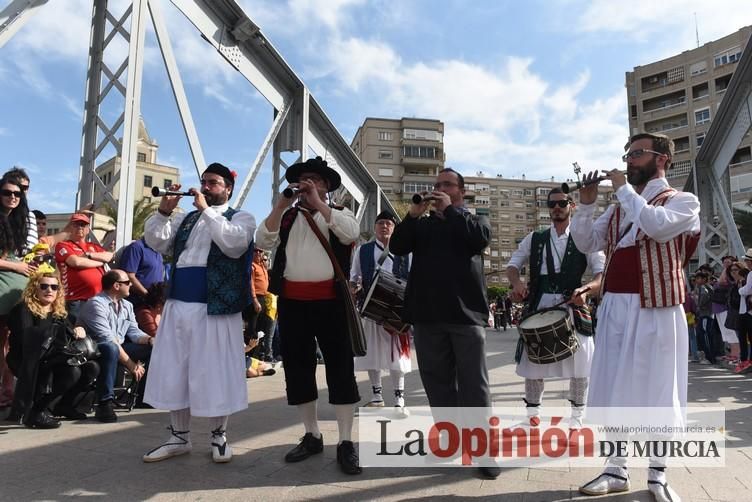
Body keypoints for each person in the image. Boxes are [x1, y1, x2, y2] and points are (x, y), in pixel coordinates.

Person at [570, 132, 700, 501]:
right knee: (614, 388)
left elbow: (657, 226)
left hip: (658, 306)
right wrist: (585, 204)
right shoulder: (616, 208)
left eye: (637, 154)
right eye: (627, 154)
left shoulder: (684, 201)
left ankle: (658, 476)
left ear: (661, 159)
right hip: (615, 306)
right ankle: (616, 469)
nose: (628, 160)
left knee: (659, 389)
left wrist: (625, 191)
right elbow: (586, 243)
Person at [390, 167, 500, 480]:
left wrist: (450, 211)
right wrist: (412, 215)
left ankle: (483, 449)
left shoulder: (473, 220)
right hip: (427, 317)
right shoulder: (422, 226)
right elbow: (397, 245)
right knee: (437, 384)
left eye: (447, 185)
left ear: (460, 192)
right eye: (436, 184)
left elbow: (479, 239)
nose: (438, 189)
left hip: (465, 317)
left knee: (474, 385)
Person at [142, 162, 255, 464]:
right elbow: (156, 241)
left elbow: (233, 244)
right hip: (179, 303)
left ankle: (219, 436)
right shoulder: (187, 220)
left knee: (215, 369)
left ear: (228, 188)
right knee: (175, 367)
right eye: (204, 181)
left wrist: (206, 210)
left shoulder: (240, 217)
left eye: (213, 183)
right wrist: (164, 212)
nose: (205, 186)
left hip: (215, 306)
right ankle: (179, 436)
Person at [255, 156, 362, 475]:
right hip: (293, 303)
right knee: (299, 369)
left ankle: (345, 441)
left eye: (316, 179)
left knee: (341, 369)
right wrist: (280, 206)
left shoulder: (340, 214)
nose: (308, 184)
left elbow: (349, 234)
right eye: (304, 179)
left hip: (331, 303)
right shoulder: (287, 217)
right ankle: (312, 434)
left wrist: (320, 204)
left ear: (327, 186)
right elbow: (262, 240)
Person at [506, 188, 604, 431]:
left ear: (571, 205)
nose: (556, 207)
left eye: (561, 203)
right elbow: (513, 264)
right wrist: (517, 283)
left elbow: (602, 275)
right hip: (539, 307)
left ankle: (577, 418)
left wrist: (586, 290)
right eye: (552, 204)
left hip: (572, 305)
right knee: (532, 364)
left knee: (581, 364)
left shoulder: (586, 237)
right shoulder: (535, 238)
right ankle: (532, 417)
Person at [7, 270, 99, 427]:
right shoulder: (23, 310)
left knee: (92, 367)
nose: (49, 290)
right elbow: (26, 339)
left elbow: (68, 335)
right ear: (34, 288)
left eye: (54, 287)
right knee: (72, 371)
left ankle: (64, 405)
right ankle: (37, 412)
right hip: (29, 360)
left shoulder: (59, 312)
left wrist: (78, 330)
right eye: (44, 286)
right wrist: (53, 333)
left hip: (55, 357)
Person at [350, 210, 411, 416]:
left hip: (396, 312)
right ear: (375, 227)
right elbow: (355, 277)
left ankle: (399, 399)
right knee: (371, 354)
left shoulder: (405, 251)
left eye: (389, 223)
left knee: (397, 356)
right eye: (381, 223)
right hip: (371, 308)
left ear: (394, 228)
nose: (385, 226)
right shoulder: (363, 250)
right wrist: (352, 288)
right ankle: (377, 397)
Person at [77, 269, 153, 423]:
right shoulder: (96, 304)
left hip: (118, 345)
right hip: (96, 348)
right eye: (127, 282)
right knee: (110, 348)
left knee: (152, 349)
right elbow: (107, 338)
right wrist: (131, 365)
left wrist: (150, 340)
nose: (131, 285)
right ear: (116, 286)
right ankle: (105, 403)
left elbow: (133, 332)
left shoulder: (127, 305)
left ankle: (144, 397)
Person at [0, 174, 36, 409]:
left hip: (18, 294)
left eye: (17, 193)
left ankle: (8, 391)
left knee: (10, 345)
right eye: (7, 192)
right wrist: (17, 266)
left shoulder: (17, 221)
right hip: (3, 291)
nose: (13, 197)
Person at [54, 213, 113, 323]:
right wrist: (100, 263)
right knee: (76, 333)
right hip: (76, 300)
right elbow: (76, 262)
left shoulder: (93, 246)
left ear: (87, 229)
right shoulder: (63, 245)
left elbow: (109, 256)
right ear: (71, 227)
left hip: (98, 299)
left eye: (83, 225)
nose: (80, 227)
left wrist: (89, 255)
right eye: (76, 224)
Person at [118, 237, 165, 308]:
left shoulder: (158, 251)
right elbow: (128, 275)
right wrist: (147, 295)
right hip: (138, 302)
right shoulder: (136, 247)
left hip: (154, 303)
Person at [244, 248, 271, 360]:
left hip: (264, 298)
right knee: (252, 329)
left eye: (261, 251)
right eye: (256, 251)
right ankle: (249, 355)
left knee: (262, 329)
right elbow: (251, 285)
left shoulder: (262, 266)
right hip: (255, 300)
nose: (258, 253)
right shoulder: (252, 266)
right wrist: (255, 300)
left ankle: (258, 354)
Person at [693, 271, 714, 364]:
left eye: (698, 278)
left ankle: (709, 357)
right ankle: (709, 356)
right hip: (707, 314)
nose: (696, 281)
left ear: (704, 279)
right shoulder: (708, 287)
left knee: (704, 335)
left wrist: (699, 305)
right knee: (705, 335)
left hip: (705, 314)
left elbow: (704, 297)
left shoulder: (703, 287)